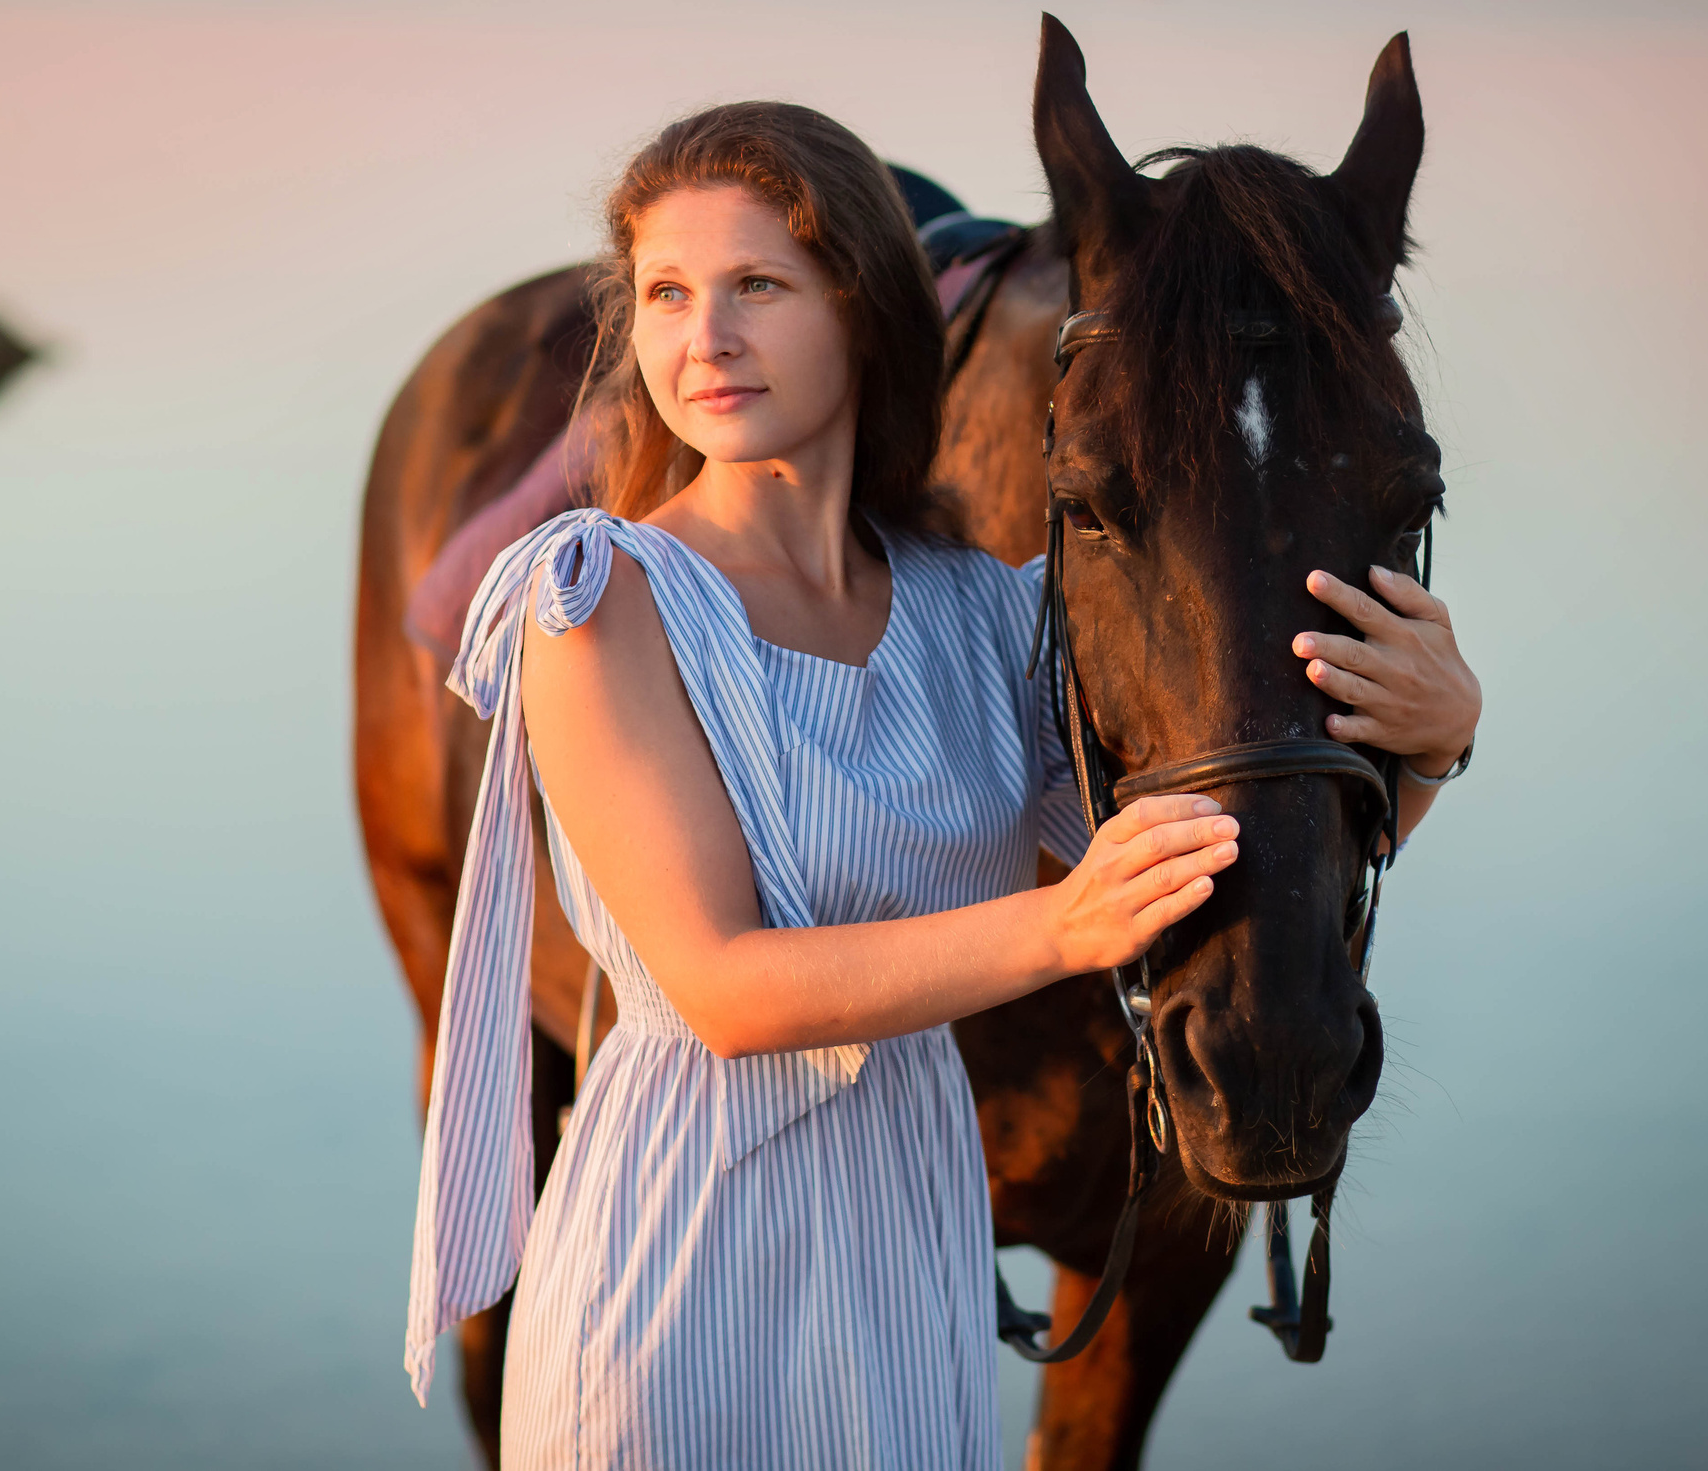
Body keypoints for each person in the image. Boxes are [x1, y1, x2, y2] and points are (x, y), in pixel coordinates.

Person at [404, 103, 1481, 1465]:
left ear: (863, 312)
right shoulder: (599, 599)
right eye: (667, 294)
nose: (704, 338)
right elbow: (722, 990)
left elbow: (1200, 867)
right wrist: (1062, 926)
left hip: (912, 1277)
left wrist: (1429, 745)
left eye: (757, 287)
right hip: (679, 1274)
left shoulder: (980, 612)